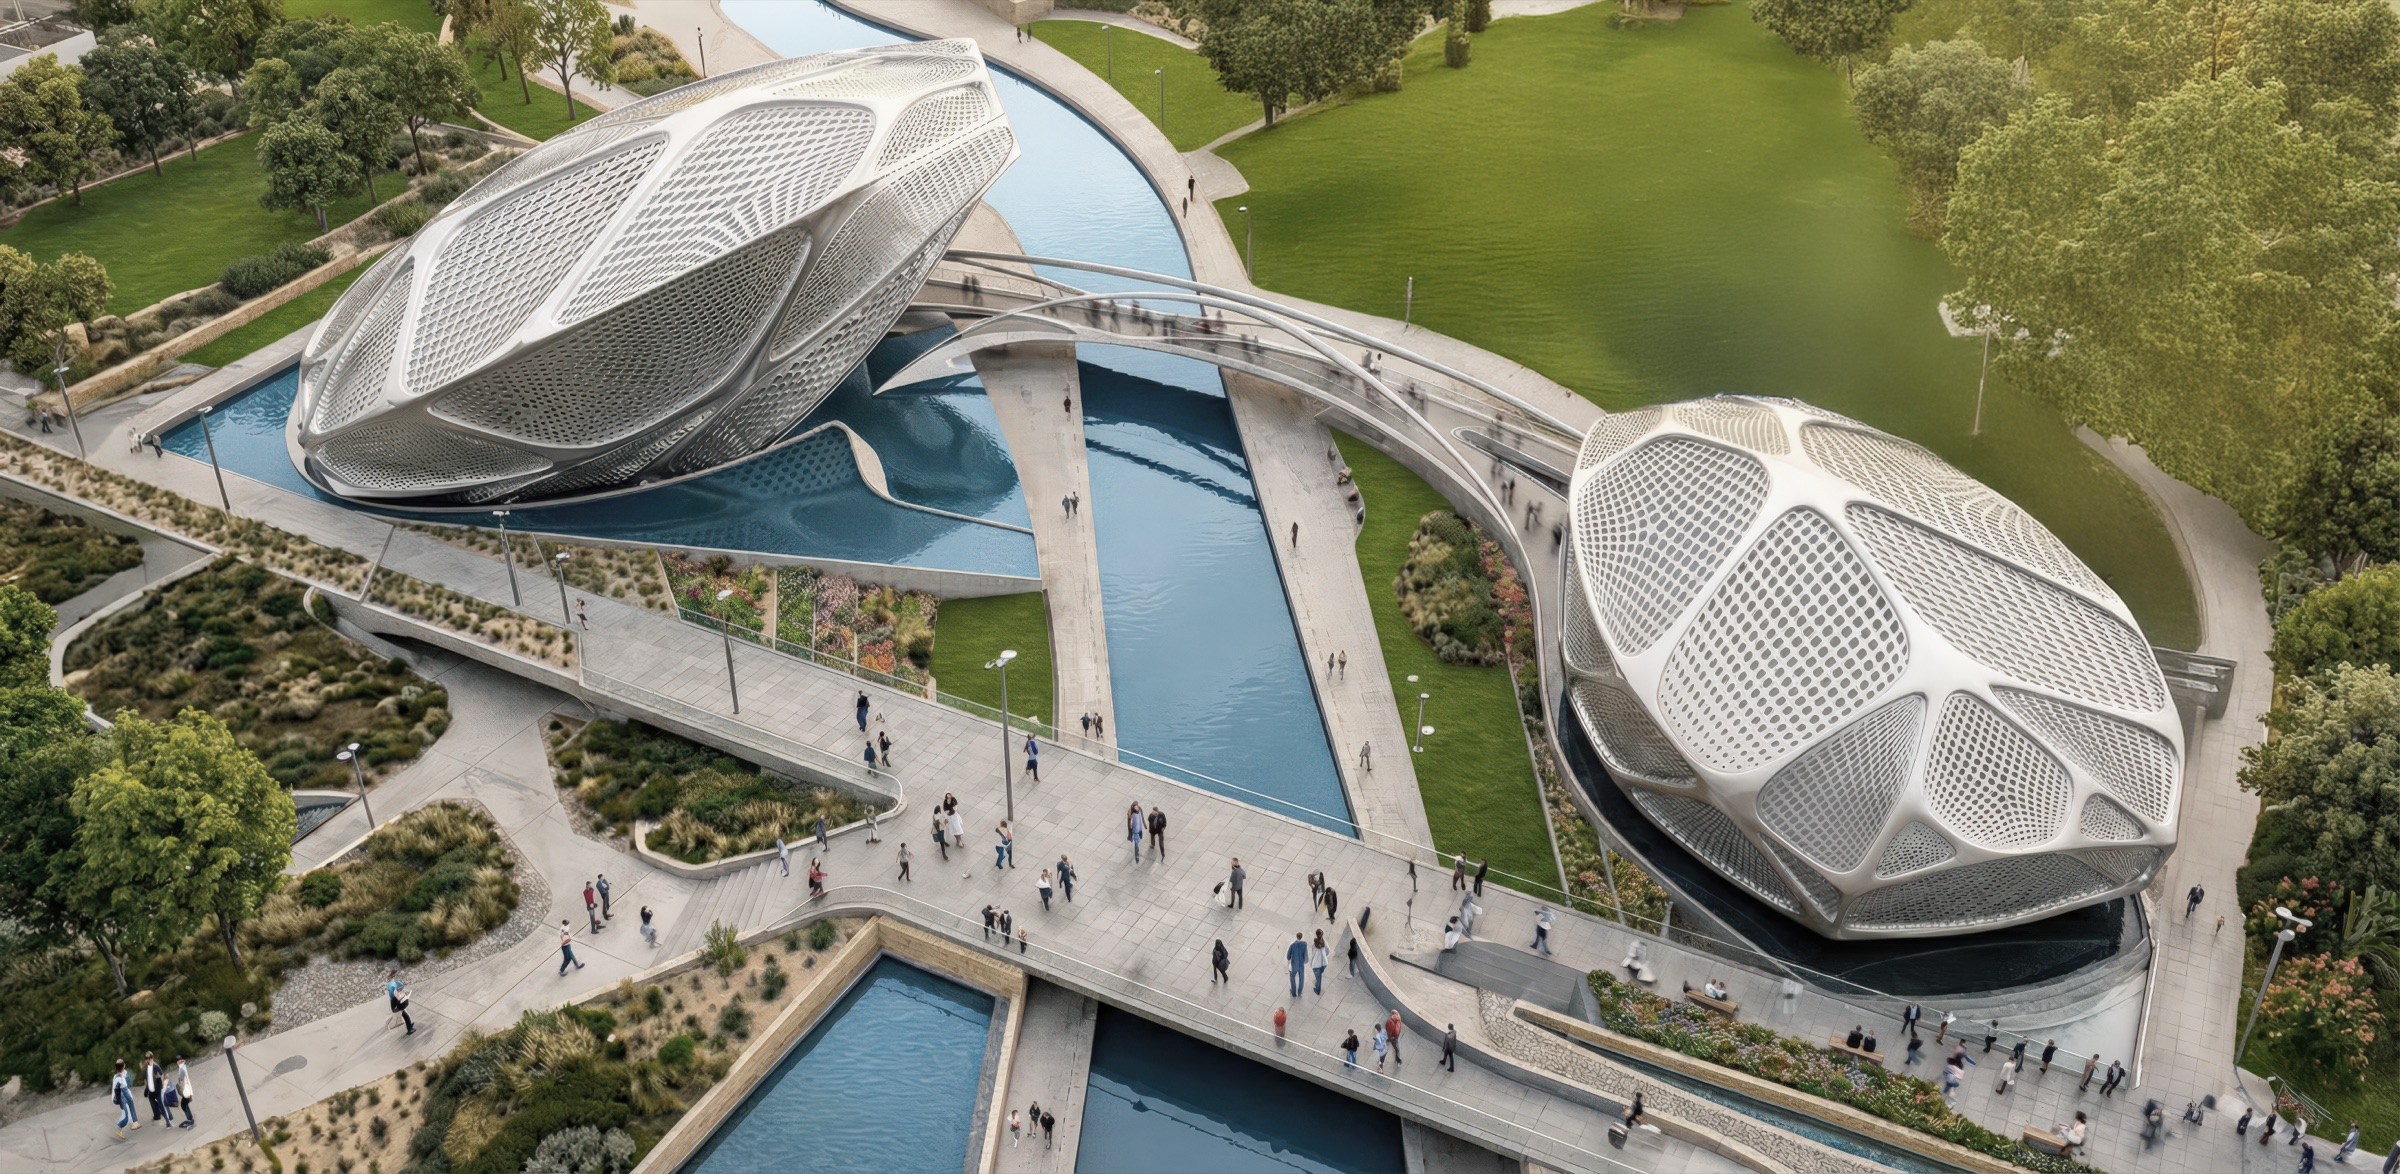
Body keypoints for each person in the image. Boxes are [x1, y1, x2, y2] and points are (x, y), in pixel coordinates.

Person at [111, 1059, 138, 1138]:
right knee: (125, 1116)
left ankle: (131, 1123)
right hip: (119, 1097)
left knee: (127, 1111)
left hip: (120, 1095)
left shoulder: (120, 1074)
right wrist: (130, 1100)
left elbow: (127, 1085)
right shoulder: (119, 1079)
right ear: (123, 1066)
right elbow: (125, 1091)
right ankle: (118, 1130)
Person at [387, 968, 415, 1035]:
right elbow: (398, 997)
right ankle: (409, 1030)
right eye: (401, 989)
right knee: (406, 1016)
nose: (401, 989)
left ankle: (410, 1026)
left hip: (397, 1005)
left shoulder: (392, 983)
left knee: (406, 1016)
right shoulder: (394, 988)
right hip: (396, 1007)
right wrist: (404, 995)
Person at [173, 1056, 195, 1129]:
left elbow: (184, 1080)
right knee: (184, 1104)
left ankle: (190, 1120)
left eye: (180, 1060)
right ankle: (190, 1119)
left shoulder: (182, 1069)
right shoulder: (182, 1067)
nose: (179, 1061)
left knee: (183, 1105)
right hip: (185, 1089)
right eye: (178, 1060)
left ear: (182, 1060)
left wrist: (184, 1090)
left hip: (186, 1090)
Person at [142, 1053, 165, 1123]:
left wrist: (162, 1084)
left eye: (149, 1058)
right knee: (151, 1100)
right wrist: (146, 1085)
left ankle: (165, 1115)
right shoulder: (146, 1067)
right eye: (146, 1058)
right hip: (150, 1088)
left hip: (157, 1087)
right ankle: (157, 1115)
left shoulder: (155, 1066)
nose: (148, 1060)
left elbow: (162, 1074)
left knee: (160, 1101)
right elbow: (146, 1077)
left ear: (152, 1058)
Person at [1286, 932, 1309, 997]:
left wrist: (1289, 959)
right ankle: (1300, 991)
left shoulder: (1292, 945)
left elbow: (1288, 956)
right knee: (1301, 977)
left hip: (1294, 964)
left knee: (1292, 976)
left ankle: (1293, 992)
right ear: (1301, 937)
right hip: (1301, 964)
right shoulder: (1304, 944)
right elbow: (1305, 953)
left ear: (1296, 936)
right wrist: (1305, 961)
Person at [1310, 930, 1330, 995]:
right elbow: (1328, 951)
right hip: (1324, 963)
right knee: (1319, 975)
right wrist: (1324, 957)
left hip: (1316, 964)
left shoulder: (1313, 946)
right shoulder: (1325, 943)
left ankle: (1317, 990)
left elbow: (1313, 954)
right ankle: (1317, 983)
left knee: (1318, 977)